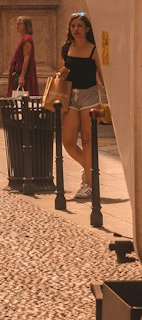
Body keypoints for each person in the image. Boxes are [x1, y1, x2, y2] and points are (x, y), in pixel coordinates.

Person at [60, 11, 106, 201]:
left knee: (88, 140)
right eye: (73, 26)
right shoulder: (66, 48)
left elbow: (102, 76)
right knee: (68, 141)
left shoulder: (94, 50)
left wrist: (108, 98)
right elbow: (62, 70)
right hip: (71, 97)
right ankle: (89, 170)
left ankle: (88, 184)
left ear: (87, 29)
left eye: (80, 26)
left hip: (89, 95)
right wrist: (61, 73)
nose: (76, 29)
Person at [7, 16, 38, 97]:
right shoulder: (24, 38)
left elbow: (27, 58)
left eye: (19, 24)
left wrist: (22, 76)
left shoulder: (27, 39)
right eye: (16, 23)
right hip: (18, 71)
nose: (17, 26)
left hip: (22, 73)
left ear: (25, 25)